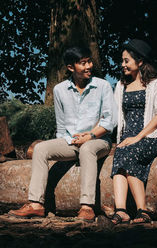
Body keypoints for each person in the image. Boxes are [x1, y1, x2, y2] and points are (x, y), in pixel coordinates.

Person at [9, 46, 117, 221]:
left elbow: (110, 121)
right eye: (83, 63)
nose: (89, 66)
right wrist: (65, 144)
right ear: (70, 67)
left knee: (87, 149)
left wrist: (90, 136)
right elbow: (61, 126)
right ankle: (36, 204)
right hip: (72, 142)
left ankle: (87, 206)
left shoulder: (102, 86)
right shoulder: (59, 90)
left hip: (99, 140)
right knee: (40, 149)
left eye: (89, 61)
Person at [110, 39, 157, 224]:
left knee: (129, 152)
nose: (122, 64)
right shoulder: (120, 85)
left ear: (140, 61)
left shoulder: (154, 83)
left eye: (126, 60)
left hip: (150, 135)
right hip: (127, 137)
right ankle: (121, 210)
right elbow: (113, 114)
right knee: (120, 154)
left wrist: (138, 137)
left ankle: (143, 211)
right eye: (122, 60)